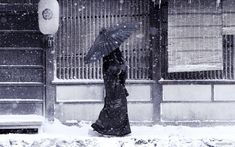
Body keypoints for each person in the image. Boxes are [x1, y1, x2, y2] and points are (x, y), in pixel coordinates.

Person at [91, 47, 131, 136]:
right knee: (117, 106)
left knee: (114, 106)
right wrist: (121, 68)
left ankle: (107, 126)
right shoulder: (111, 56)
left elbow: (114, 71)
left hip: (114, 85)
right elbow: (114, 70)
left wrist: (121, 67)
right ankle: (115, 128)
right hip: (114, 86)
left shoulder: (109, 55)